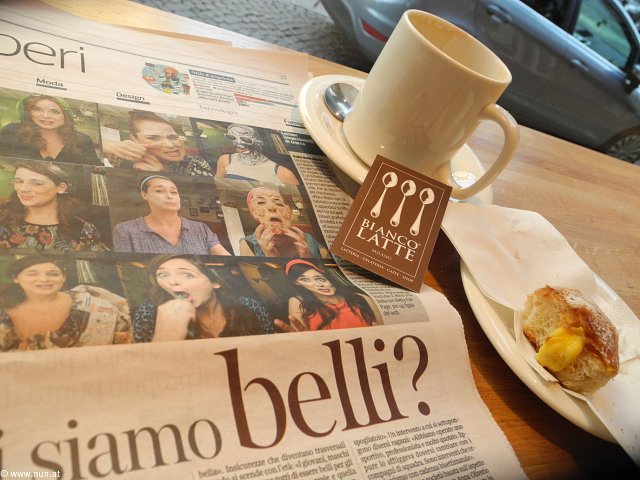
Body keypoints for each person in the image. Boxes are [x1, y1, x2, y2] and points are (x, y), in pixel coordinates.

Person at [0, 256, 132, 351]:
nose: (44, 279)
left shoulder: (93, 305)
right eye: (32, 274)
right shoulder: (4, 310)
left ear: (63, 278)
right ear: (16, 278)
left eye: (53, 274)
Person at [133, 254, 272, 342]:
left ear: (215, 281)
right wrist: (164, 339)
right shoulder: (148, 314)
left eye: (187, 275)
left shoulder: (251, 307)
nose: (172, 282)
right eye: (163, 275)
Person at [113, 175, 231, 255]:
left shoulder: (200, 228)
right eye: (159, 191)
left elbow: (225, 258)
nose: (169, 196)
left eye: (174, 192)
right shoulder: (126, 230)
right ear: (144, 195)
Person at [0, 163, 104, 251]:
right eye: (19, 181)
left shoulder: (85, 229)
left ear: (60, 188)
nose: (23, 189)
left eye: (36, 183)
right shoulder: (3, 219)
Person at [275, 259, 381, 332]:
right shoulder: (298, 302)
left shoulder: (361, 298)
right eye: (305, 280)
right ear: (297, 283)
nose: (318, 285)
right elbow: (301, 336)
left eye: (319, 278)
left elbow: (381, 328)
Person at [0, 94, 101, 166]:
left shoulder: (82, 140)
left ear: (65, 117)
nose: (46, 116)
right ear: (29, 113)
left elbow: (95, 168)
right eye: (37, 109)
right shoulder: (13, 131)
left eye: (55, 112)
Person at [106, 111, 213, 176]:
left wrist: (162, 176)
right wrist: (108, 145)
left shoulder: (195, 163)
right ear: (134, 139)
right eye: (153, 138)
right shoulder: (123, 161)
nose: (170, 145)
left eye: (172, 137)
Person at [239, 186, 329, 258]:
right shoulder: (247, 244)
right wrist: (271, 258)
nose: (272, 207)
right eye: (261, 202)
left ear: (289, 213)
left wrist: (308, 257)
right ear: (254, 213)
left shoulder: (307, 239)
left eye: (279, 204)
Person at [215, 124, 299, 185]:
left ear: (260, 141)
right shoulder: (225, 160)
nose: (238, 143)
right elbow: (217, 186)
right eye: (232, 137)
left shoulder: (283, 173)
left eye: (245, 139)